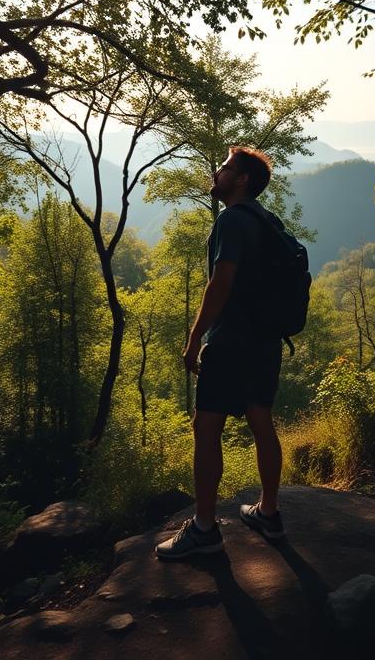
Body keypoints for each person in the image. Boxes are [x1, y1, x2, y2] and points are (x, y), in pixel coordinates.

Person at [155, 146, 287, 559]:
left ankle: (205, 529)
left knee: (206, 427)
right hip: (266, 340)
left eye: (226, 168)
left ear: (242, 180)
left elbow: (220, 284)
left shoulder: (231, 220)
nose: (217, 173)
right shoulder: (269, 220)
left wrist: (194, 340)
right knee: (261, 421)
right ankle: (268, 512)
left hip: (230, 341)